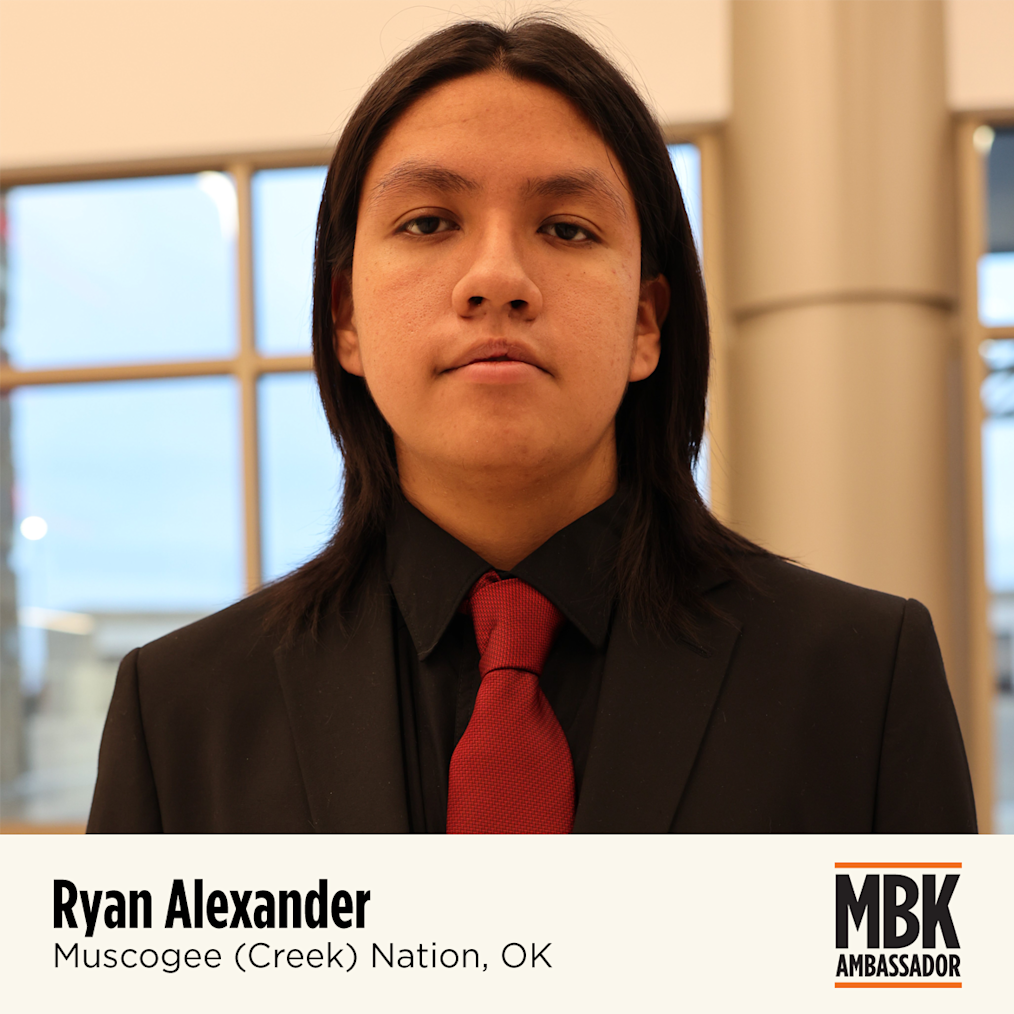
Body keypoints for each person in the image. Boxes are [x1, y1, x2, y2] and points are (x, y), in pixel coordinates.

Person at [87, 17, 976, 834]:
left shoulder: (860, 681)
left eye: (567, 228)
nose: (497, 279)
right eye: (429, 222)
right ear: (345, 317)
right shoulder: (180, 714)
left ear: (646, 324)